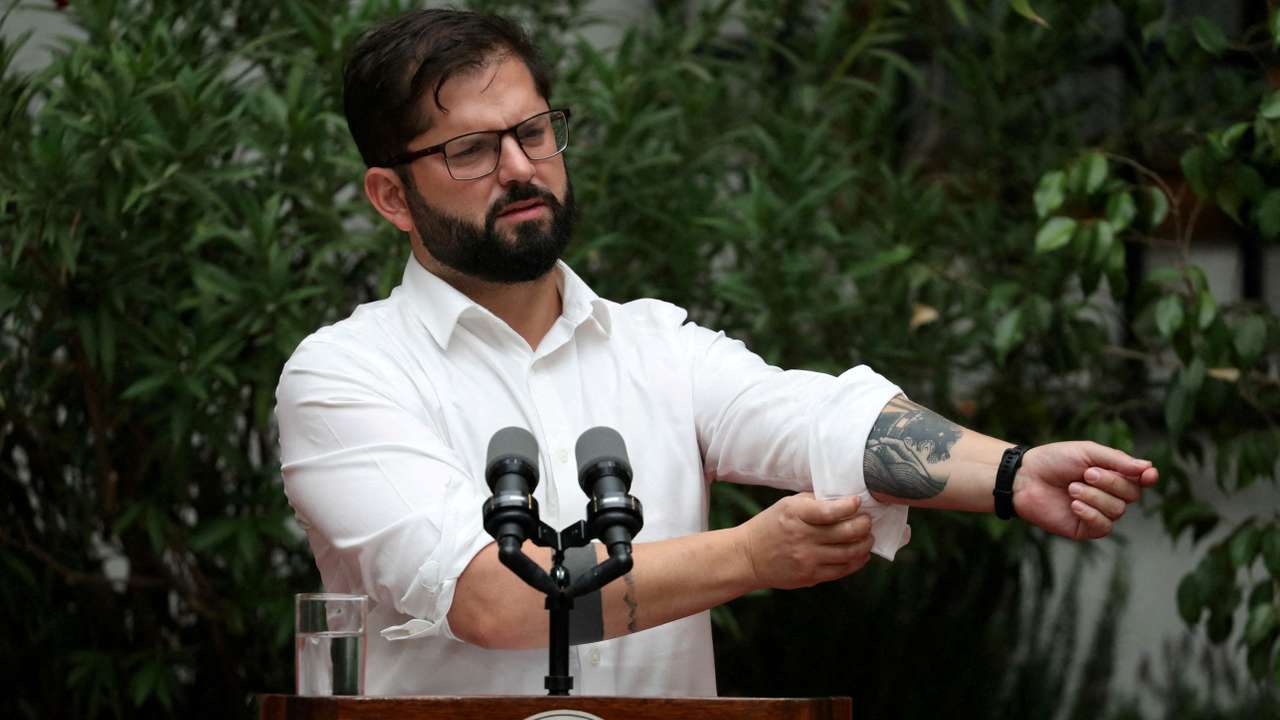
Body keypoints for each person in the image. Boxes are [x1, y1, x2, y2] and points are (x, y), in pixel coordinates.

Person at [274, 8, 1159, 697]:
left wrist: (1011, 474)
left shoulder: (658, 345)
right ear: (392, 196)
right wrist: (748, 557)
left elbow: (820, 420)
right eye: (471, 149)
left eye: (535, 132)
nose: (520, 167)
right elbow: (497, 598)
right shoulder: (345, 375)